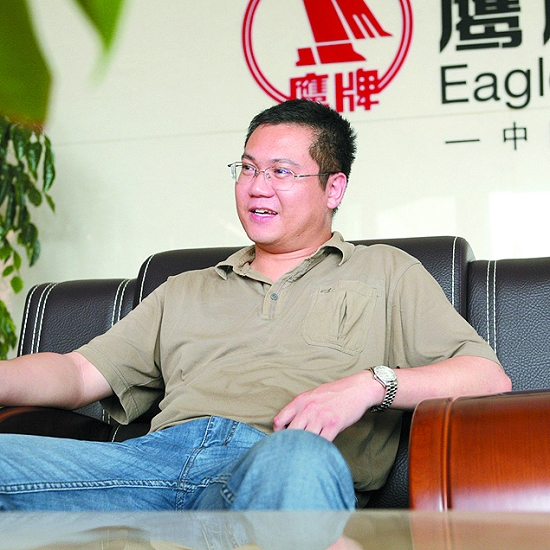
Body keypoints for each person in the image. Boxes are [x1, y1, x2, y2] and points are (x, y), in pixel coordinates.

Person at [0, 99, 511, 512]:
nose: (256, 187)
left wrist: (370, 385)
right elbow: (77, 373)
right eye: (247, 168)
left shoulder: (385, 270)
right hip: (149, 467)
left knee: (299, 457)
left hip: (276, 464)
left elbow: (486, 377)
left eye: (281, 172)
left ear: (333, 188)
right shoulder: (186, 288)